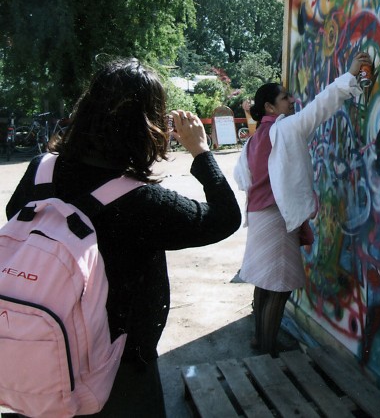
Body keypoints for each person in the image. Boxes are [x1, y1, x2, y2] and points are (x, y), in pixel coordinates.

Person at [5, 58, 241, 417]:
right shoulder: (142, 202)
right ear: (146, 126)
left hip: (40, 355)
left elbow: (14, 216)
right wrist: (201, 152)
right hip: (119, 372)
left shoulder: (41, 170)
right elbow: (225, 218)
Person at [234, 51, 372, 357]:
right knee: (280, 286)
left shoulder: (254, 140)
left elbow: (242, 177)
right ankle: (267, 352)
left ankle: (260, 340)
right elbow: (321, 106)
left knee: (265, 282)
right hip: (276, 218)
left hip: (259, 216)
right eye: (285, 98)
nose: (292, 100)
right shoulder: (285, 129)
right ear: (270, 107)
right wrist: (350, 75)